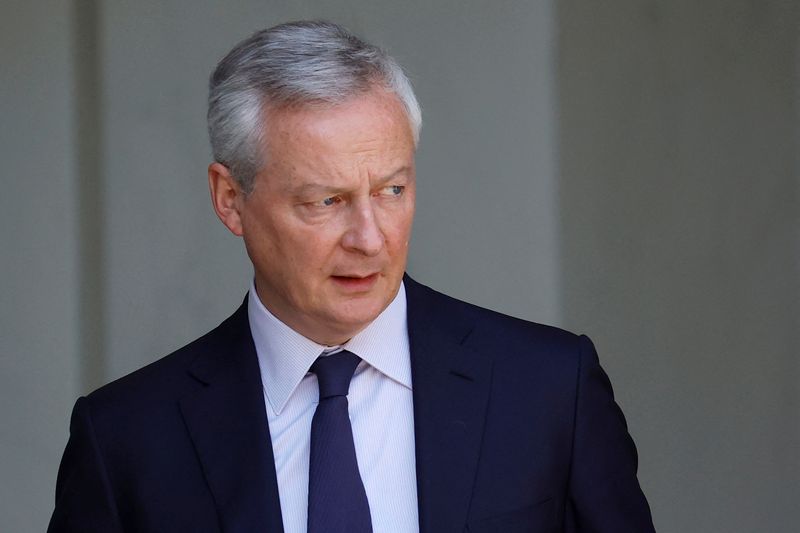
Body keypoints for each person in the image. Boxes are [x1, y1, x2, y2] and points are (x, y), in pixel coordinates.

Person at [48, 20, 655, 533]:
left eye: (391, 190)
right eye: (326, 201)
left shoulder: (550, 388)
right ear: (230, 199)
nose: (371, 237)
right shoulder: (126, 440)